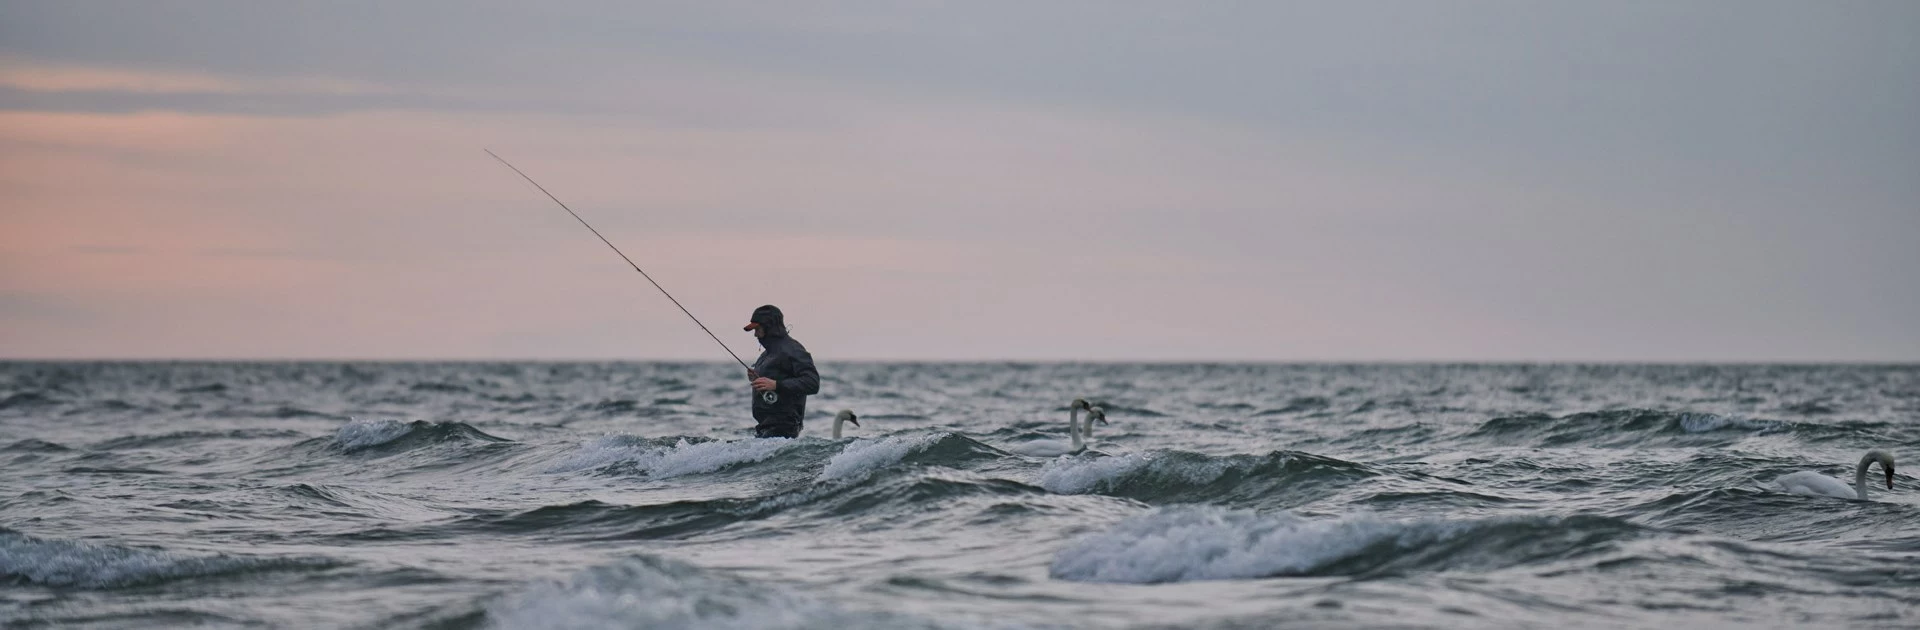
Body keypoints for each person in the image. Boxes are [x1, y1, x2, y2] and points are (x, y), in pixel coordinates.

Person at [742, 305, 819, 438]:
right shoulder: (768, 353)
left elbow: (812, 382)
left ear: (769, 327)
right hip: (765, 427)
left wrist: (777, 385)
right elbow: (776, 375)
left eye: (757, 329)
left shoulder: (793, 350)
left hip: (784, 429)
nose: (755, 335)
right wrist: (756, 376)